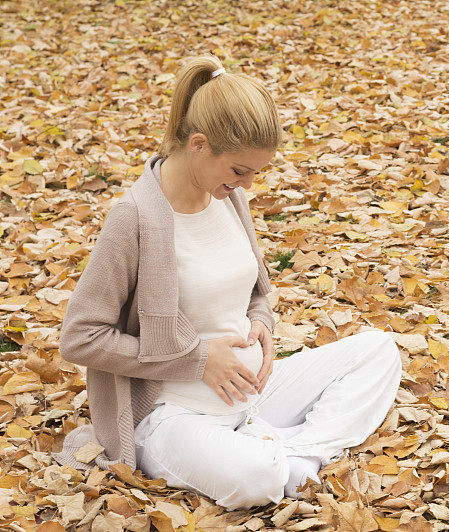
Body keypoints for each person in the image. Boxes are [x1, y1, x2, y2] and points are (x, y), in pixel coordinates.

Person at [53, 55, 403, 510]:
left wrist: (263, 326)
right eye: (240, 170)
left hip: (253, 394)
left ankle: (295, 455)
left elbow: (255, 293)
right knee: (253, 477)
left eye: (256, 172)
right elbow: (80, 339)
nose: (247, 185)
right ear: (199, 144)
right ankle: (280, 458)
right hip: (175, 414)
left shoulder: (225, 197)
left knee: (380, 350)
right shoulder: (135, 219)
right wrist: (197, 360)